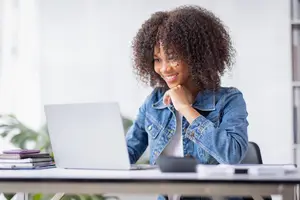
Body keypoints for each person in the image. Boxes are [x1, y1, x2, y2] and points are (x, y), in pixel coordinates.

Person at [126, 5, 249, 200]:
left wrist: (185, 108)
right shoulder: (154, 102)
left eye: (172, 57)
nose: (164, 68)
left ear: (197, 56)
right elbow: (127, 154)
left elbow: (231, 155)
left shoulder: (229, 100)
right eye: (157, 59)